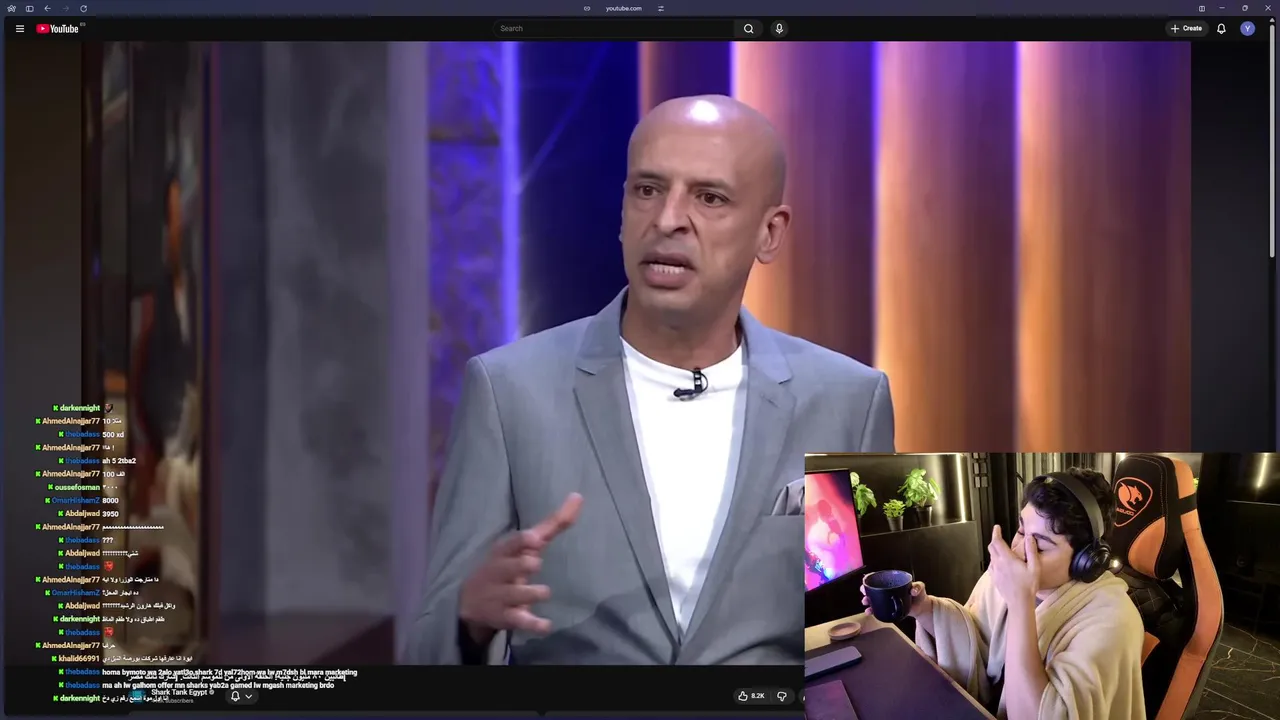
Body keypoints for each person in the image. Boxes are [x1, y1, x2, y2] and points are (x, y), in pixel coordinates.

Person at [410, 95, 895, 666]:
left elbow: (858, 635)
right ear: (622, 212)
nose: (667, 220)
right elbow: (425, 654)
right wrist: (466, 622)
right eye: (647, 190)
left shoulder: (850, 401)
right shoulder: (508, 391)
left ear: (769, 233)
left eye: (709, 197)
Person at [861, 468, 1145, 719]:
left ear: (1086, 561)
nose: (1018, 553)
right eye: (1021, 531)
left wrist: (1021, 602)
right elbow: (975, 641)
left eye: (1040, 546)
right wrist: (924, 609)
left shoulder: (1113, 620)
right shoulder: (1005, 577)